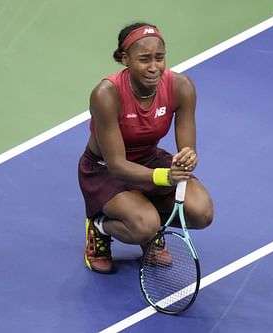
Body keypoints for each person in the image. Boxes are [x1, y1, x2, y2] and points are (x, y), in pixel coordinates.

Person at [78, 22, 214, 273]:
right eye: (144, 59)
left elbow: (187, 149)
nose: (154, 67)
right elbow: (117, 166)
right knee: (144, 226)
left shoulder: (181, 87)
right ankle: (100, 226)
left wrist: (187, 159)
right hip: (105, 169)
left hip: (149, 160)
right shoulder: (106, 95)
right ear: (124, 59)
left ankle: (145, 220)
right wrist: (166, 177)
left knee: (202, 212)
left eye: (159, 58)